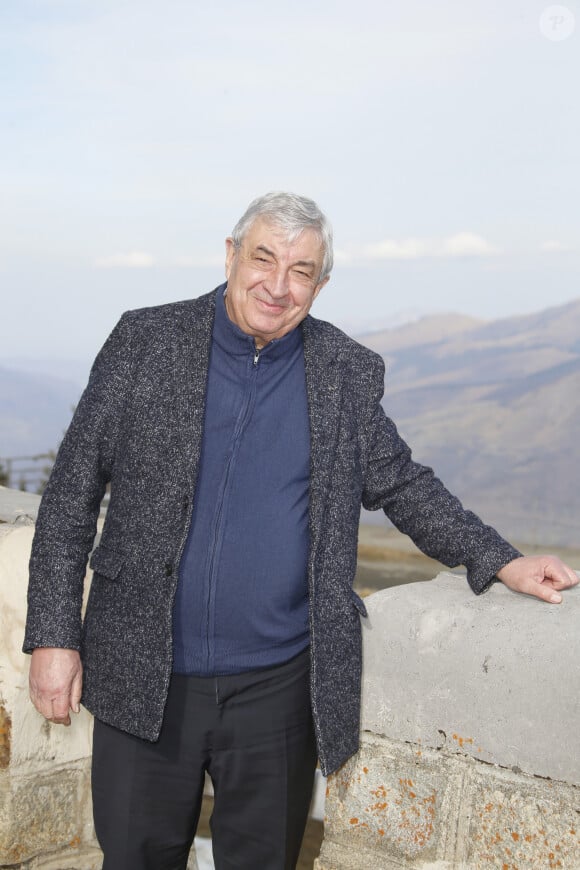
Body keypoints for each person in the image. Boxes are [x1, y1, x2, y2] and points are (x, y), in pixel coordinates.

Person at [24, 192, 578, 870]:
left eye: (302, 271)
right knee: (138, 858)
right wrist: (54, 635)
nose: (278, 286)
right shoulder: (145, 341)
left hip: (277, 690)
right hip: (144, 673)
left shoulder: (344, 372)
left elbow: (402, 483)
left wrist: (501, 560)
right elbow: (71, 493)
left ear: (321, 283)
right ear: (231, 256)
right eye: (264, 259)